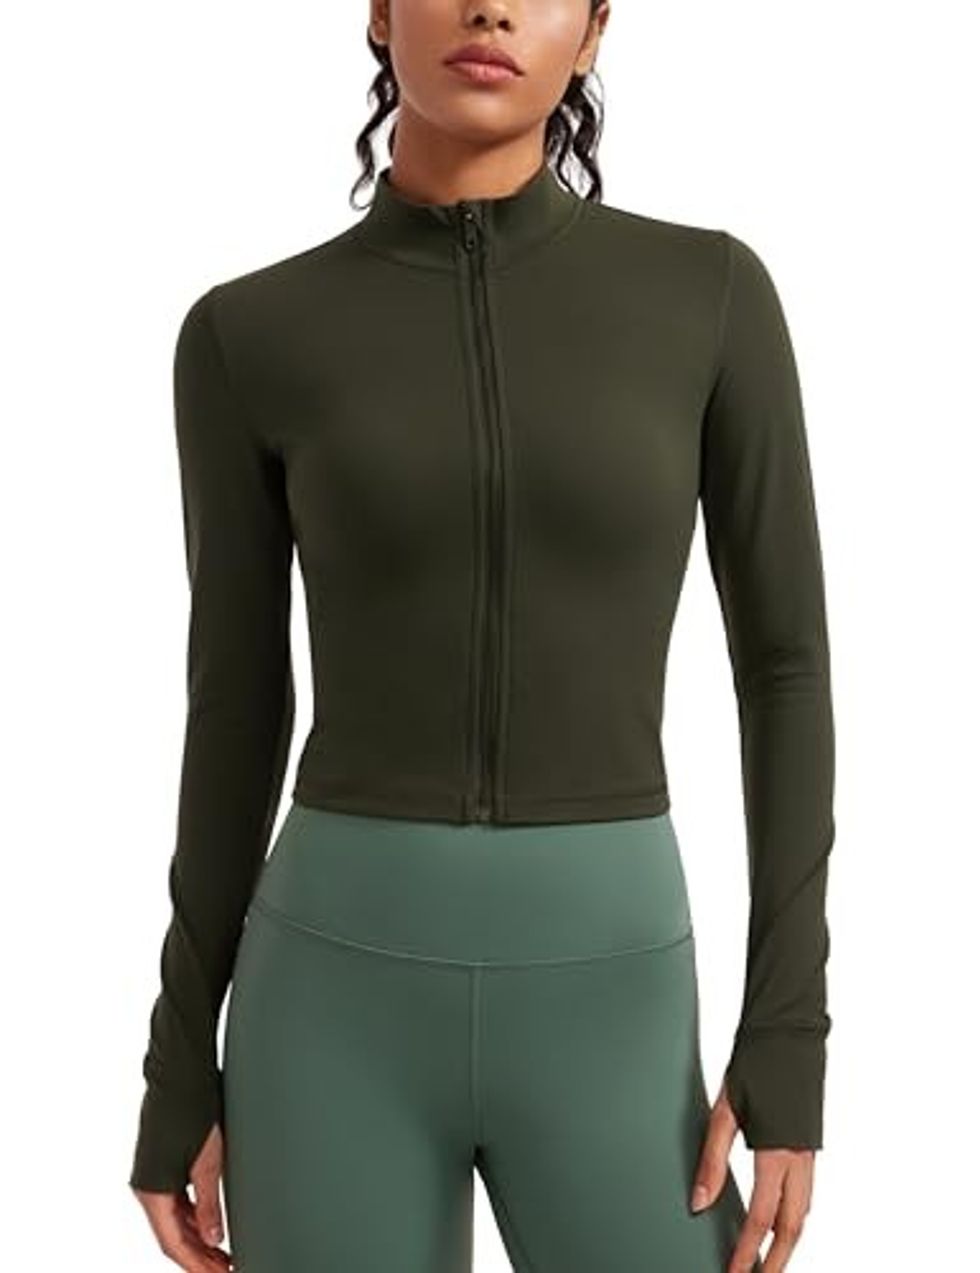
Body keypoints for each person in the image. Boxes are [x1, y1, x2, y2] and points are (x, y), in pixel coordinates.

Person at [128, 2, 835, 1270]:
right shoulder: (248, 334)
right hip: (330, 1001)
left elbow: (782, 670)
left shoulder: (708, 299)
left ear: (594, 28)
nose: (491, 7)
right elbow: (233, 706)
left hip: (611, 999)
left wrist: (786, 1027)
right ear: (379, 11)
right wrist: (179, 1056)